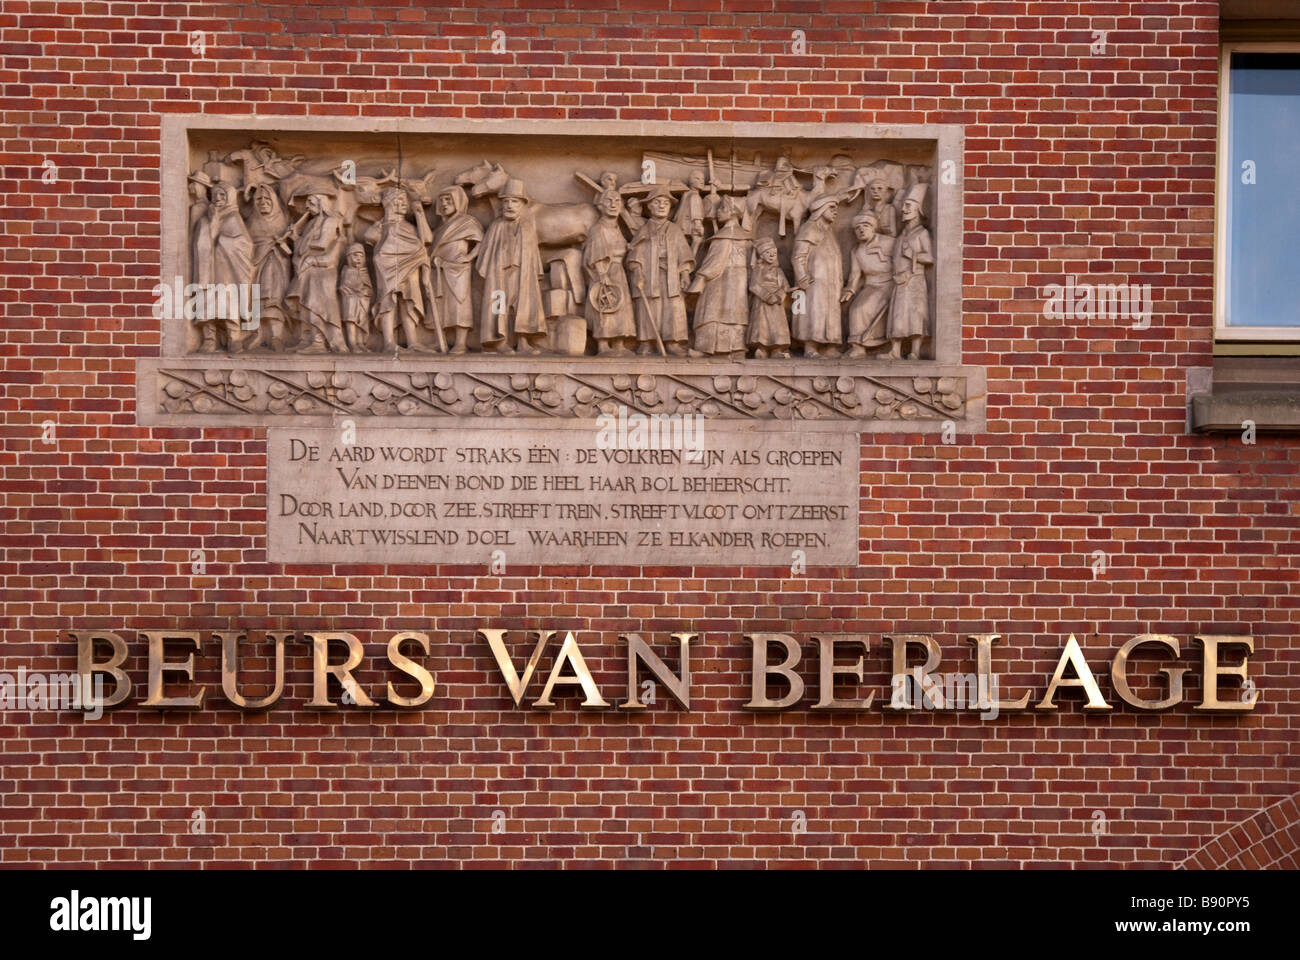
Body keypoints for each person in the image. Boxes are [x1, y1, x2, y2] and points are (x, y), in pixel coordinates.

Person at [477, 178, 546, 354]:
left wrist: (531, 273)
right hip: (500, 276)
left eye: (514, 201)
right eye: (506, 201)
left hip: (522, 274)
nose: (509, 205)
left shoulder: (527, 226)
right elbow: (486, 253)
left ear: (522, 204)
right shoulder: (496, 226)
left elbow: (533, 256)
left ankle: (523, 341)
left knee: (524, 305)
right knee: (498, 305)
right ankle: (500, 341)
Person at [627, 183, 694, 356]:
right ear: (649, 206)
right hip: (649, 276)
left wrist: (685, 273)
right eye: (657, 202)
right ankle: (647, 342)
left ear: (670, 206)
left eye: (665, 202)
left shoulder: (675, 230)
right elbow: (635, 254)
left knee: (673, 306)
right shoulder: (644, 230)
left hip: (671, 274)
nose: (662, 205)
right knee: (649, 305)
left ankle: (672, 342)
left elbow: (684, 254)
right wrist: (637, 272)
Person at [364, 186, 434, 353]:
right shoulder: (381, 226)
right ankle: (388, 343)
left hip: (412, 265)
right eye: (399, 201)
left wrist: (420, 214)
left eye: (405, 201)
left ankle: (413, 342)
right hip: (386, 266)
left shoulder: (409, 227)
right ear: (389, 204)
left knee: (409, 300)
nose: (404, 204)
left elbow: (427, 240)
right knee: (387, 300)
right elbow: (369, 237)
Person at [688, 196, 750, 358]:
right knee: (735, 313)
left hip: (720, 280)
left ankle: (707, 348)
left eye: (722, 208)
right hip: (739, 281)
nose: (717, 212)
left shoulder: (724, 236)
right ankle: (735, 349)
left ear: (733, 212)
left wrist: (699, 279)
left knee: (711, 311)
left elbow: (714, 262)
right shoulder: (743, 236)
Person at [286, 192, 347, 354]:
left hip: (322, 269)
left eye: (311, 203)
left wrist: (301, 241)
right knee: (304, 303)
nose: (307, 207)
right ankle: (307, 339)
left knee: (317, 304)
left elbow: (322, 243)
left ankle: (319, 341)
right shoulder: (312, 223)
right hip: (308, 269)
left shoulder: (331, 221)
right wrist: (295, 237)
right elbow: (305, 245)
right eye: (307, 203)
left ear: (322, 204)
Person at [428, 184, 482, 355]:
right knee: (440, 303)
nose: (444, 204)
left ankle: (460, 343)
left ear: (458, 201)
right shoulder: (439, 228)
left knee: (460, 302)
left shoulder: (467, 222)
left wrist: (468, 257)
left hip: (458, 268)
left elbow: (481, 242)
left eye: (448, 200)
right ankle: (440, 340)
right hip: (439, 268)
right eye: (442, 200)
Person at [582, 186, 636, 355]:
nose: (613, 205)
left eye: (617, 201)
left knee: (621, 307)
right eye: (609, 201)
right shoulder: (598, 229)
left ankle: (619, 344)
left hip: (618, 271)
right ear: (600, 206)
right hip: (604, 273)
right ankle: (603, 345)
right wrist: (602, 274)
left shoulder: (616, 228)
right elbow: (595, 254)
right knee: (604, 306)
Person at [790, 194, 844, 357]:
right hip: (813, 281)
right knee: (811, 311)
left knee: (829, 311)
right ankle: (810, 347)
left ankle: (829, 345)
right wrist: (802, 277)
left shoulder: (828, 231)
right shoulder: (809, 228)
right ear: (821, 209)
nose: (835, 211)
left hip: (830, 281)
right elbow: (798, 256)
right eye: (831, 208)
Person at [206, 180, 255, 353]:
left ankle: (234, 338)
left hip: (229, 271)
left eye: (222, 195)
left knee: (228, 302)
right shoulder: (211, 216)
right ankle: (210, 338)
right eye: (215, 195)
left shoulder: (233, 217)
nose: (218, 198)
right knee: (208, 302)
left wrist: (222, 241)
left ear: (230, 198)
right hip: (210, 269)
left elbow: (245, 244)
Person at [840, 211, 895, 356]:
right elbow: (855, 274)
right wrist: (850, 289)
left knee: (865, 307)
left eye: (865, 226)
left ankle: (881, 343)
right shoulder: (856, 251)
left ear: (873, 227)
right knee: (856, 309)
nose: (861, 230)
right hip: (871, 285)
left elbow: (901, 261)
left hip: (889, 283)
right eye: (857, 228)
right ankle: (858, 347)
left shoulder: (889, 242)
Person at [888, 183, 932, 360]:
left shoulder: (921, 233)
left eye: (908, 206)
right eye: (904, 206)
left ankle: (915, 351)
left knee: (915, 314)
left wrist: (912, 254)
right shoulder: (901, 235)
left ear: (918, 209)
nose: (904, 209)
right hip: (900, 280)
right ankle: (895, 351)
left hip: (915, 279)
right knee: (898, 314)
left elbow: (930, 257)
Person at [246, 184, 292, 350]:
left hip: (277, 264)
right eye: (259, 199)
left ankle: (276, 336)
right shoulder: (250, 221)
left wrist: (287, 241)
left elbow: (294, 245)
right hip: (255, 264)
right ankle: (257, 333)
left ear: (274, 201)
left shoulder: (285, 218)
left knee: (273, 298)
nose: (263, 202)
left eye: (267, 199)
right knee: (255, 299)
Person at [747, 237, 791, 358]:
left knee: (777, 324)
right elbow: (753, 285)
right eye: (767, 252)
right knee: (762, 324)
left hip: (777, 302)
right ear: (761, 255)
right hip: (762, 301)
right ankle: (762, 348)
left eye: (774, 252)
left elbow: (785, 286)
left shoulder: (779, 271)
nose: (771, 254)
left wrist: (780, 296)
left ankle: (776, 350)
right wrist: (766, 296)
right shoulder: (758, 269)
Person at [338, 243, 373, 353]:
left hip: (362, 301)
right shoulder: (346, 270)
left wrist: (365, 291)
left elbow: (369, 288)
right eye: (355, 256)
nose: (358, 259)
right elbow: (342, 286)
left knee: (361, 321)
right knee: (351, 321)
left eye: (361, 256)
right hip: (350, 301)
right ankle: (352, 343)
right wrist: (348, 292)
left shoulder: (364, 272)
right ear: (349, 257)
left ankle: (360, 343)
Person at [675, 169, 717, 255]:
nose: (701, 182)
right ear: (690, 181)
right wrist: (698, 225)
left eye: (702, 179)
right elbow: (696, 213)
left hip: (683, 226)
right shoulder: (694, 196)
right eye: (697, 179)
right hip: (690, 225)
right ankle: (690, 262)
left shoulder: (687, 194)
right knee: (697, 240)